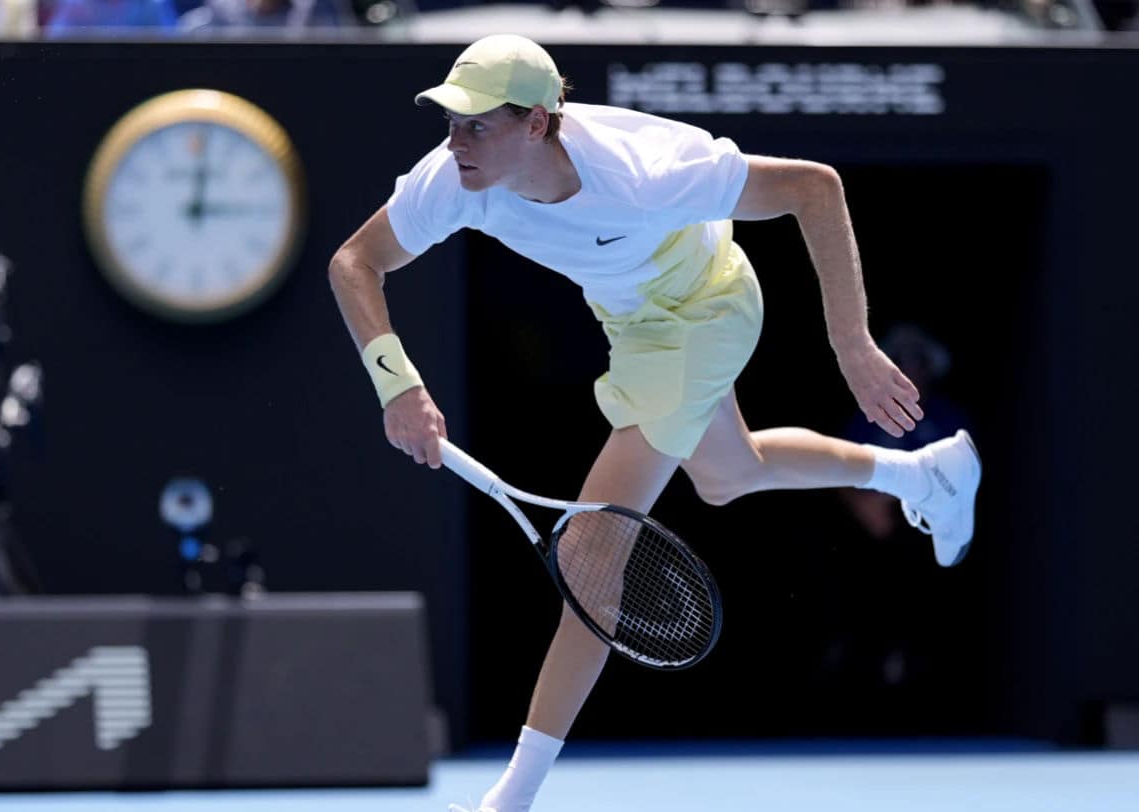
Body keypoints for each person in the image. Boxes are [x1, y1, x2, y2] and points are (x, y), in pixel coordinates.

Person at [326, 34, 982, 812]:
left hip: (705, 309)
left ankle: (511, 799)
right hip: (632, 318)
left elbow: (815, 187)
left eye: (476, 124)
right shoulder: (453, 180)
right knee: (727, 476)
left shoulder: (643, 173)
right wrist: (395, 385)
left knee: (594, 554)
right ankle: (923, 471)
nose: (455, 140)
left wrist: (851, 345)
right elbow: (353, 262)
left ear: (537, 123)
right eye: (450, 122)